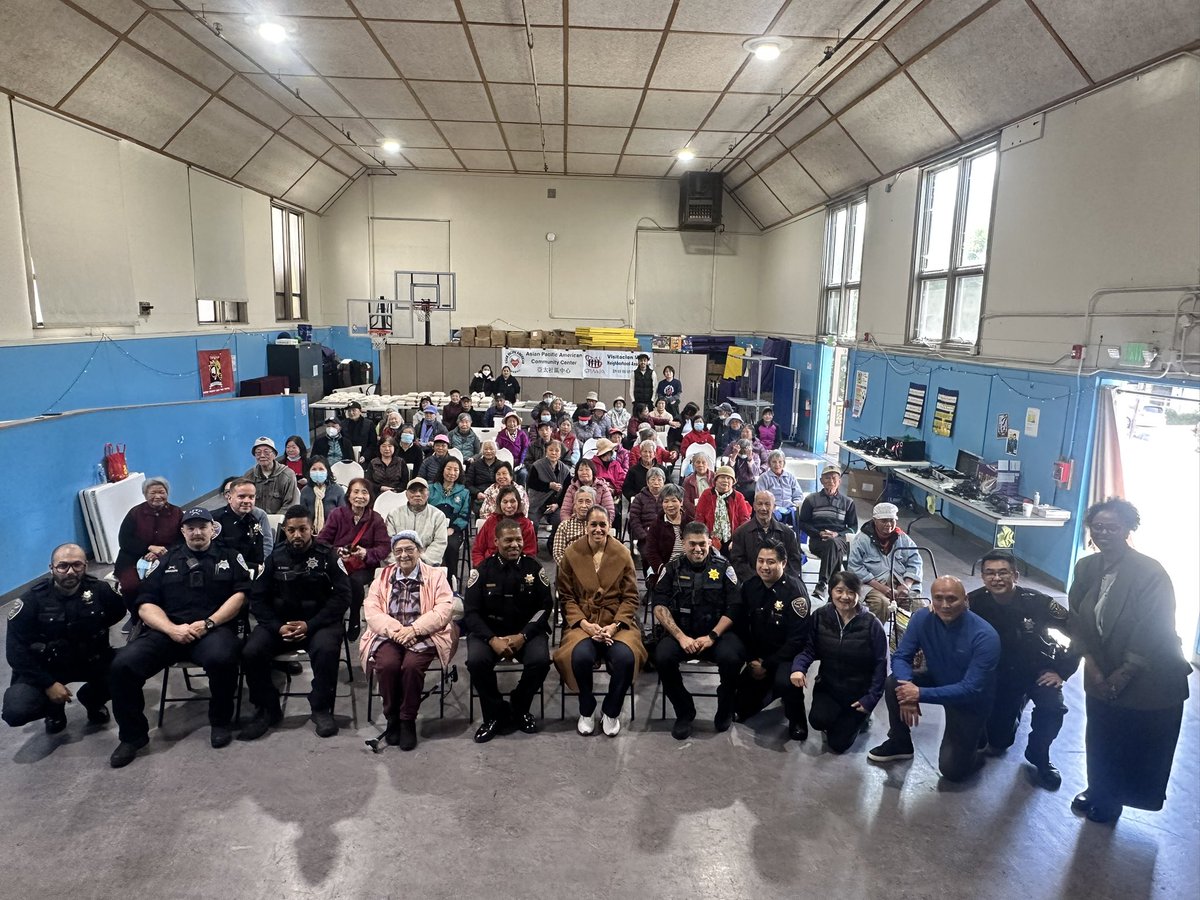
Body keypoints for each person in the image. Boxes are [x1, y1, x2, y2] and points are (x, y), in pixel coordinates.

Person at [1067, 498, 1191, 823]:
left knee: (1129, 739)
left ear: (1127, 530)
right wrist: (1091, 665)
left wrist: (1123, 674)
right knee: (1100, 735)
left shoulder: (1150, 572)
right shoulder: (1086, 567)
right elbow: (1076, 619)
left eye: (1113, 527)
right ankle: (1099, 790)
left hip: (1149, 677)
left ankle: (1115, 798)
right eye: (1098, 527)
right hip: (1100, 669)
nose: (1104, 533)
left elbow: (1155, 627)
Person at [107, 507, 251, 767]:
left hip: (212, 629)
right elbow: (145, 604)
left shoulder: (230, 557)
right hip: (168, 631)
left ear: (212, 529)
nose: (197, 532)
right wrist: (171, 629)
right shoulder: (165, 561)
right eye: (191, 527)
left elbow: (240, 597)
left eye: (202, 526)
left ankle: (220, 722)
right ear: (183, 531)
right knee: (122, 664)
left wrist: (208, 623)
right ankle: (132, 736)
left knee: (222, 658)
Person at [867, 576, 1001, 782]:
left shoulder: (985, 635)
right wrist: (907, 688)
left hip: (971, 701)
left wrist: (918, 693)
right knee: (894, 683)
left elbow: (971, 689)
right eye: (938, 598)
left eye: (952, 599)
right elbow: (902, 656)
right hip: (940, 678)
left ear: (966, 600)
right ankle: (899, 742)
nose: (945, 605)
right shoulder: (922, 618)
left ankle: (977, 742)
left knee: (952, 771)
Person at [969, 550, 1079, 789]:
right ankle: (1015, 708)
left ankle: (1040, 756)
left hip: (1036, 671)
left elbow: (1078, 635)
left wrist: (1062, 671)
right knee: (998, 743)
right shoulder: (974, 602)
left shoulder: (1037, 602)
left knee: (1053, 707)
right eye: (990, 573)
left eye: (1003, 572)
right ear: (982, 577)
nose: (996, 578)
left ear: (1015, 575)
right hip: (999, 676)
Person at [239, 505, 350, 741]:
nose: (297, 535)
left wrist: (311, 625)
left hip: (318, 623)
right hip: (281, 624)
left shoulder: (328, 556)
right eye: (291, 530)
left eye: (302, 529)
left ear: (313, 528)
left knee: (327, 651)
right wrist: (277, 626)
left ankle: (321, 709)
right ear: (285, 531)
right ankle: (267, 709)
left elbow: (343, 596)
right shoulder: (274, 558)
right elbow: (257, 598)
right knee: (251, 651)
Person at [3, 543, 125, 733]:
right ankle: (54, 709)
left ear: (86, 566)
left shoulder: (100, 591)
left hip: (91, 660)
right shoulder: (31, 601)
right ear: (51, 568)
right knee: (17, 710)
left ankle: (93, 700)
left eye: (77, 565)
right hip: (48, 666)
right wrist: (48, 684)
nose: (70, 572)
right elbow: (16, 652)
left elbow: (117, 612)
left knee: (132, 668)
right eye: (62, 566)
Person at [360, 530, 459, 750]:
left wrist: (414, 630)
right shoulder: (383, 577)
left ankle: (407, 719)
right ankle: (392, 716)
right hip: (390, 634)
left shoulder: (435, 576)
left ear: (419, 551)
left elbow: (444, 608)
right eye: (399, 551)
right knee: (387, 665)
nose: (404, 555)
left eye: (409, 549)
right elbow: (372, 609)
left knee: (412, 666)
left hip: (424, 633)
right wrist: (396, 631)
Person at [554, 507, 646, 736]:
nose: (598, 529)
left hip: (617, 622)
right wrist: (584, 624)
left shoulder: (623, 553)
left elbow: (631, 596)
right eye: (593, 524)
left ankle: (611, 710)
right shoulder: (572, 553)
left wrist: (614, 626)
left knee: (626, 658)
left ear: (609, 527)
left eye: (602, 524)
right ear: (586, 527)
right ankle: (586, 708)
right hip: (583, 623)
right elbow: (566, 597)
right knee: (580, 656)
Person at [651, 522, 746, 740]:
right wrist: (680, 637)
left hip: (716, 635)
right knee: (662, 657)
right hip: (682, 634)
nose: (698, 549)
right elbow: (659, 604)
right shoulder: (672, 568)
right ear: (683, 544)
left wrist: (712, 636)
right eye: (692, 544)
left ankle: (725, 706)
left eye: (702, 544)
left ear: (710, 542)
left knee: (733, 658)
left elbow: (734, 607)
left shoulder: (724, 568)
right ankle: (684, 711)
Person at [463, 518, 552, 743]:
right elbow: (471, 613)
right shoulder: (482, 571)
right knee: (475, 661)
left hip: (524, 632)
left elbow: (545, 607)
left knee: (540, 661)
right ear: (496, 541)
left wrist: (524, 636)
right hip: (490, 633)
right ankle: (493, 714)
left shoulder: (534, 568)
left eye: (518, 539)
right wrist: (492, 640)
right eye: (508, 540)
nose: (514, 544)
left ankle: (519, 706)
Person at [791, 571, 888, 754]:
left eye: (851, 592)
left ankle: (863, 718)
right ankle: (839, 718)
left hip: (858, 693)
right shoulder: (820, 616)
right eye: (839, 590)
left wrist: (871, 698)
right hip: (829, 688)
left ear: (858, 595)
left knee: (838, 744)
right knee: (817, 721)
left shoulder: (872, 624)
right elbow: (809, 649)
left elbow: (881, 665)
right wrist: (799, 668)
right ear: (830, 591)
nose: (845, 597)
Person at [735, 543, 811, 741]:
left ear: (783, 563)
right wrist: (752, 660)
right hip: (759, 654)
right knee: (739, 707)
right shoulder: (750, 587)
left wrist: (767, 665)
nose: (764, 567)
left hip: (787, 656)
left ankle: (797, 720)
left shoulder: (795, 593)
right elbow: (743, 626)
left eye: (771, 562)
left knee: (787, 682)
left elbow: (798, 639)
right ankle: (771, 691)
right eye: (761, 561)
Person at [318, 477, 390, 641]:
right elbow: (321, 541)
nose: (360, 496)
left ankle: (355, 615)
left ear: (370, 496)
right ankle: (331, 619)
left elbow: (384, 546)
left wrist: (366, 553)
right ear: (348, 495)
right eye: (355, 491)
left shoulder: (376, 519)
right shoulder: (337, 514)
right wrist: (337, 552)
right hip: (338, 563)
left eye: (364, 492)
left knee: (354, 581)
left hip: (364, 565)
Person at [848, 502, 922, 623]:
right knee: (882, 604)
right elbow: (854, 567)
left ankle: (905, 639)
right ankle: (876, 637)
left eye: (892, 520)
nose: (888, 525)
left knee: (919, 606)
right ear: (875, 520)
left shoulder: (902, 538)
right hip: (872, 585)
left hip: (900, 583)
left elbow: (915, 561)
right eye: (884, 521)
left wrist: (906, 585)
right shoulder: (862, 540)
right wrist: (882, 588)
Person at [113, 476, 182, 607]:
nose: (157, 496)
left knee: (172, 582)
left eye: (162, 492)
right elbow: (125, 540)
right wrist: (148, 548)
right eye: (152, 493)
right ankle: (137, 616)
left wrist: (161, 552)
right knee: (130, 586)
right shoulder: (135, 513)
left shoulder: (177, 513)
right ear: (145, 495)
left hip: (168, 555)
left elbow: (182, 539)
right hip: (132, 557)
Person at [796, 464, 857, 598]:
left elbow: (853, 527)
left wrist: (838, 534)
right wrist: (818, 533)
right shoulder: (811, 500)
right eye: (827, 478)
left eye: (834, 478)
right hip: (818, 540)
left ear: (840, 481)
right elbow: (802, 523)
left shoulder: (848, 502)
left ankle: (822, 583)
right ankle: (833, 593)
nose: (831, 481)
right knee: (834, 548)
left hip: (839, 539)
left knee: (833, 543)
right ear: (821, 481)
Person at [728, 491, 806, 585]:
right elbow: (737, 562)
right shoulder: (741, 532)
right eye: (760, 504)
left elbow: (794, 561)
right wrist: (758, 580)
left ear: (774, 507)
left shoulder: (787, 533)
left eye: (767, 504)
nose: (763, 508)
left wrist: (779, 578)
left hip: (781, 584)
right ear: (754, 506)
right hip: (751, 584)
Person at [385, 478, 448, 566]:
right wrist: (402, 562)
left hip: (428, 565)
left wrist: (422, 561)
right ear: (406, 494)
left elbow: (439, 543)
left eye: (421, 491)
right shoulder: (393, 515)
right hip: (399, 564)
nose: (417, 494)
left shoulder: (438, 516)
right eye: (413, 491)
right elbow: (388, 543)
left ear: (428, 494)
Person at [214, 477, 273, 569]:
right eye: (241, 496)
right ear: (229, 498)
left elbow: (259, 554)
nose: (247, 501)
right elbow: (216, 555)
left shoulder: (254, 521)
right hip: (225, 573)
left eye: (251, 497)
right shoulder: (216, 521)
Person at [472, 485, 537, 565]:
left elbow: (529, 555)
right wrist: (482, 568)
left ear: (518, 502)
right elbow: (478, 550)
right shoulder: (491, 521)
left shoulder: (526, 524)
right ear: (499, 503)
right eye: (505, 502)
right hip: (489, 566)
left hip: (517, 568)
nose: (509, 506)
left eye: (512, 501)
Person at [695, 465, 752, 552]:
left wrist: (737, 540)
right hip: (710, 539)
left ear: (733, 482)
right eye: (722, 477)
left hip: (732, 541)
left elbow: (744, 520)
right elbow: (699, 518)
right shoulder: (707, 494)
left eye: (729, 478)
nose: (725, 480)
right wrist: (705, 538)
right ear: (716, 480)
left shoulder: (738, 497)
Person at [645, 483, 694, 583]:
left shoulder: (691, 523)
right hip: (665, 570)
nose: (670, 505)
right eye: (666, 501)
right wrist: (664, 571)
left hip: (690, 570)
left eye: (674, 501)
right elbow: (651, 552)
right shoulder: (656, 525)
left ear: (681, 502)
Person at [429, 456, 470, 576]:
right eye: (449, 469)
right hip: (431, 527)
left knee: (450, 546)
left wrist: (453, 529)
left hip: (452, 530)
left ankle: (450, 582)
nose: (452, 473)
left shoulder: (464, 492)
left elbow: (465, 515)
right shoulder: (430, 488)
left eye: (456, 470)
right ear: (442, 470)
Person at [244, 436, 300, 514]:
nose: (262, 456)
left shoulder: (287, 475)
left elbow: (290, 505)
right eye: (258, 453)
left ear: (275, 455)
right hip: (255, 521)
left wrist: (275, 521)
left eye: (266, 452)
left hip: (280, 522)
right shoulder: (249, 476)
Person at [526, 439, 570, 527]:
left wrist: (557, 505)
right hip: (537, 504)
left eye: (557, 450)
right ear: (546, 451)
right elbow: (531, 483)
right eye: (551, 450)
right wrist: (549, 486)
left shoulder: (565, 470)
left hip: (555, 504)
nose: (553, 453)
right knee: (532, 524)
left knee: (560, 522)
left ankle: (552, 541)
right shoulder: (537, 465)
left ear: (560, 453)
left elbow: (566, 490)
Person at [629, 466, 667, 563]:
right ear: (647, 482)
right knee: (648, 555)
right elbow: (634, 520)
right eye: (653, 479)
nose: (656, 483)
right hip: (646, 537)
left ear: (664, 482)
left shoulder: (668, 498)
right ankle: (649, 577)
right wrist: (644, 536)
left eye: (659, 480)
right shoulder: (639, 498)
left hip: (666, 535)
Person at [300, 456, 346, 535]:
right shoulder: (305, 491)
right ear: (309, 472)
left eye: (321, 469)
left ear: (327, 471)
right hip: (310, 534)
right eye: (314, 469)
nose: (317, 472)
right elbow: (302, 517)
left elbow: (344, 517)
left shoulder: (337, 490)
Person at [561, 457, 616, 522]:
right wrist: (569, 524)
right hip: (575, 522)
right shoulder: (572, 488)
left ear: (593, 472)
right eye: (581, 470)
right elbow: (565, 511)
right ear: (577, 473)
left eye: (587, 469)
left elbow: (610, 511)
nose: (584, 472)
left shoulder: (602, 487)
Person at [552, 485, 595, 565]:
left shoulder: (598, 526)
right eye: (580, 501)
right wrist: (572, 569)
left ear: (594, 504)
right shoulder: (565, 526)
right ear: (575, 504)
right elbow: (557, 553)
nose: (584, 505)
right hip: (570, 571)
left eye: (588, 502)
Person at [465, 440, 503, 506]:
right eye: (486, 449)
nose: (488, 451)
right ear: (482, 451)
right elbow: (468, 483)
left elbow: (508, 482)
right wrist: (477, 493)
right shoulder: (475, 465)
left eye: (491, 449)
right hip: (480, 495)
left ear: (496, 450)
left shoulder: (502, 465)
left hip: (498, 495)